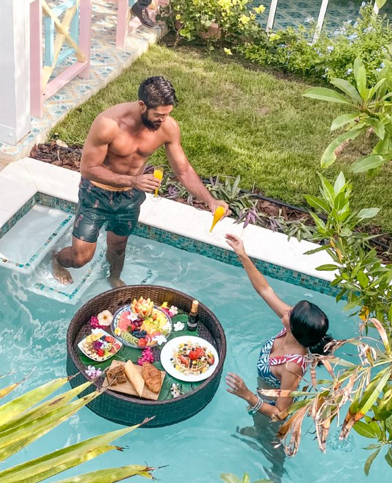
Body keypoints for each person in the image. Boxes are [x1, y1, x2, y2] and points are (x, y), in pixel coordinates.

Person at [52, 76, 229, 287]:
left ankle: (113, 276)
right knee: (81, 257)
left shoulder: (167, 127)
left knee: (118, 246)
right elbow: (88, 169)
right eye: (159, 115)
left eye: (168, 114)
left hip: (129, 196)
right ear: (142, 105)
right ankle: (57, 259)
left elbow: (183, 170)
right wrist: (133, 180)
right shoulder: (109, 124)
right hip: (96, 194)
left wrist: (209, 200)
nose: (163, 120)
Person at [224, 233, 332, 422]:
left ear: (295, 329)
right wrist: (242, 254)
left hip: (268, 412)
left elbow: (281, 414)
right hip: (260, 396)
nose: (286, 309)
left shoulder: (292, 367)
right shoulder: (291, 328)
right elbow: (265, 290)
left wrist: (247, 395)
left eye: (291, 312)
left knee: (267, 445)